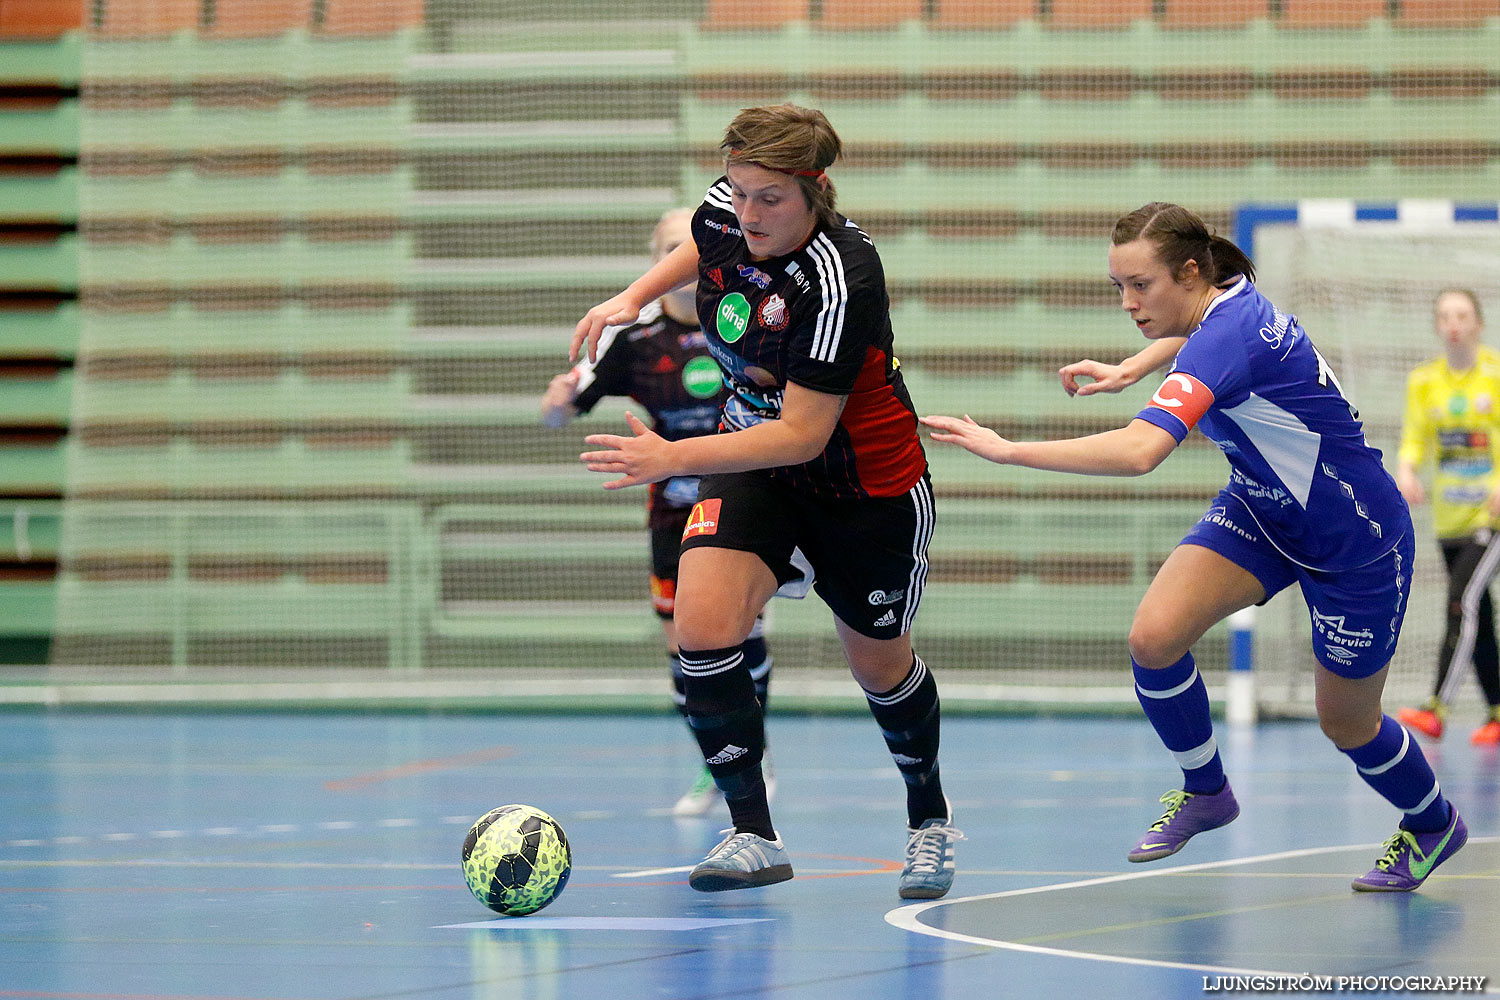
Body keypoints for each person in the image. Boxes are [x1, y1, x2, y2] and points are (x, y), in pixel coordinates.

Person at [922, 202, 1467, 892]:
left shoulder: (1228, 334)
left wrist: (1008, 450)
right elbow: (1196, 338)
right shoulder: (1225, 302)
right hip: (1263, 511)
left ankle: (1432, 823)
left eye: (1140, 286)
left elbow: (1142, 450)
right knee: (1154, 637)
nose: (1128, 302)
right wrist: (1133, 366)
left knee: (1348, 723)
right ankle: (1207, 790)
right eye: (1117, 287)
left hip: (1353, 539)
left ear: (1188, 271)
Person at [571, 103, 962, 899]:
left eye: (769, 199)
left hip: (862, 486)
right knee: (701, 625)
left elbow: (804, 435)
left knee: (880, 666)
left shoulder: (842, 276)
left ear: (815, 191)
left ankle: (930, 818)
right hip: (757, 470)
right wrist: (630, 298)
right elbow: (699, 245)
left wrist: (670, 457)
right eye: (738, 190)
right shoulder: (727, 211)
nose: (746, 213)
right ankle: (753, 833)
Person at [541, 208, 777, 818]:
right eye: (671, 247)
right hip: (673, 511)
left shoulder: (739, 317)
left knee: (738, 635)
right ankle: (717, 760)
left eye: (691, 245)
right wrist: (558, 402)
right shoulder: (635, 340)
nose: (683, 258)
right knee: (684, 649)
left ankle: (755, 757)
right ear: (657, 260)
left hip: (743, 493)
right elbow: (563, 410)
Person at [1393, 289, 1500, 746]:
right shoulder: (1424, 381)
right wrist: (1406, 469)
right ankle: (1497, 711)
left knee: (1462, 602)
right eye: (1444, 316)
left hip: (1491, 517)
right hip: (1448, 519)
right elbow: (1415, 437)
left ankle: (1438, 707)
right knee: (1480, 615)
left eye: (1462, 315)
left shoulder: (1495, 375)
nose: (1453, 323)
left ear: (1478, 323)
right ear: (1437, 326)